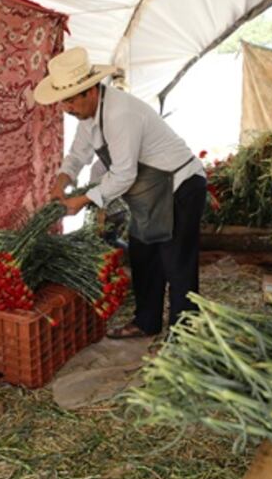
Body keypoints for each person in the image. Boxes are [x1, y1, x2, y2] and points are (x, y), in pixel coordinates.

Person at [34, 47, 207, 338]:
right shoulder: (89, 116)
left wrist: (83, 200)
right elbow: (78, 154)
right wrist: (61, 182)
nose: (66, 108)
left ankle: (184, 335)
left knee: (177, 262)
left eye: (71, 100)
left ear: (91, 91)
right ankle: (146, 322)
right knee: (143, 256)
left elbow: (124, 173)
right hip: (150, 193)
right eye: (64, 101)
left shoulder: (120, 113)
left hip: (180, 186)